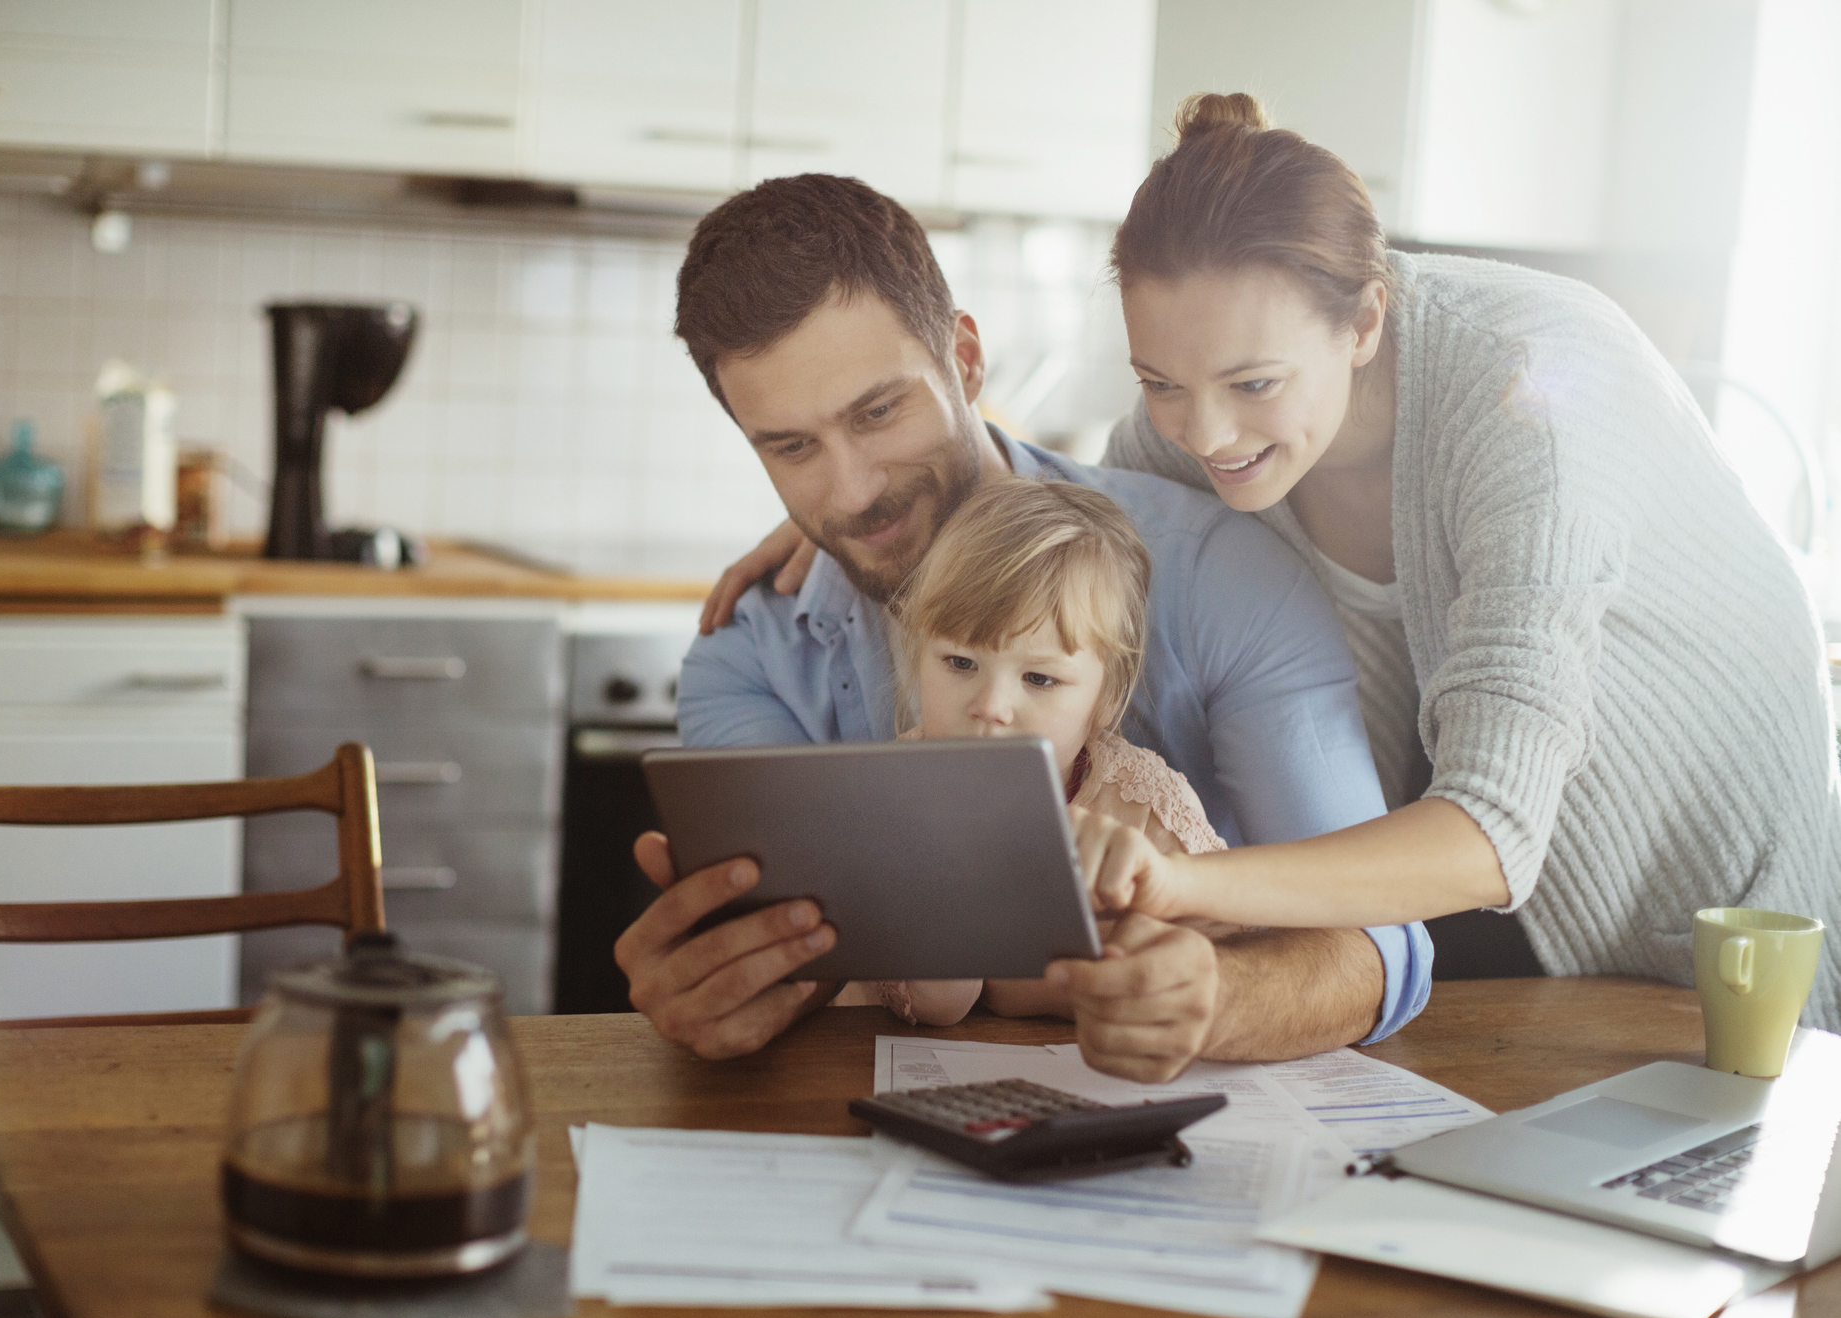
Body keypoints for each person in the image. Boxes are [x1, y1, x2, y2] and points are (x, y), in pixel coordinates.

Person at [613, 173, 1432, 1081]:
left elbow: (1378, 946)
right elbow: (799, 958)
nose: (850, 493)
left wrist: (1217, 999)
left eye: (878, 411)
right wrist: (732, 983)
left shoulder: (1220, 577)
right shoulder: (746, 656)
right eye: (790, 446)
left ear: (964, 361)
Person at [1086, 93, 1839, 1028]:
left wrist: (1188, 884)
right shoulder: (1174, 450)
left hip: (1696, 894)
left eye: (1253, 384)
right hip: (1441, 881)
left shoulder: (1528, 392)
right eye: (1160, 382)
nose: (1203, 431)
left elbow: (1493, 830)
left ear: (1363, 323)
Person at [833, 476, 1229, 1028]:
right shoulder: (888, 799)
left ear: (1107, 697)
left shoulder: (1145, 806)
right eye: (960, 664)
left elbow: (1228, 957)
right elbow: (937, 1003)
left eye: (1040, 679)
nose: (992, 706)